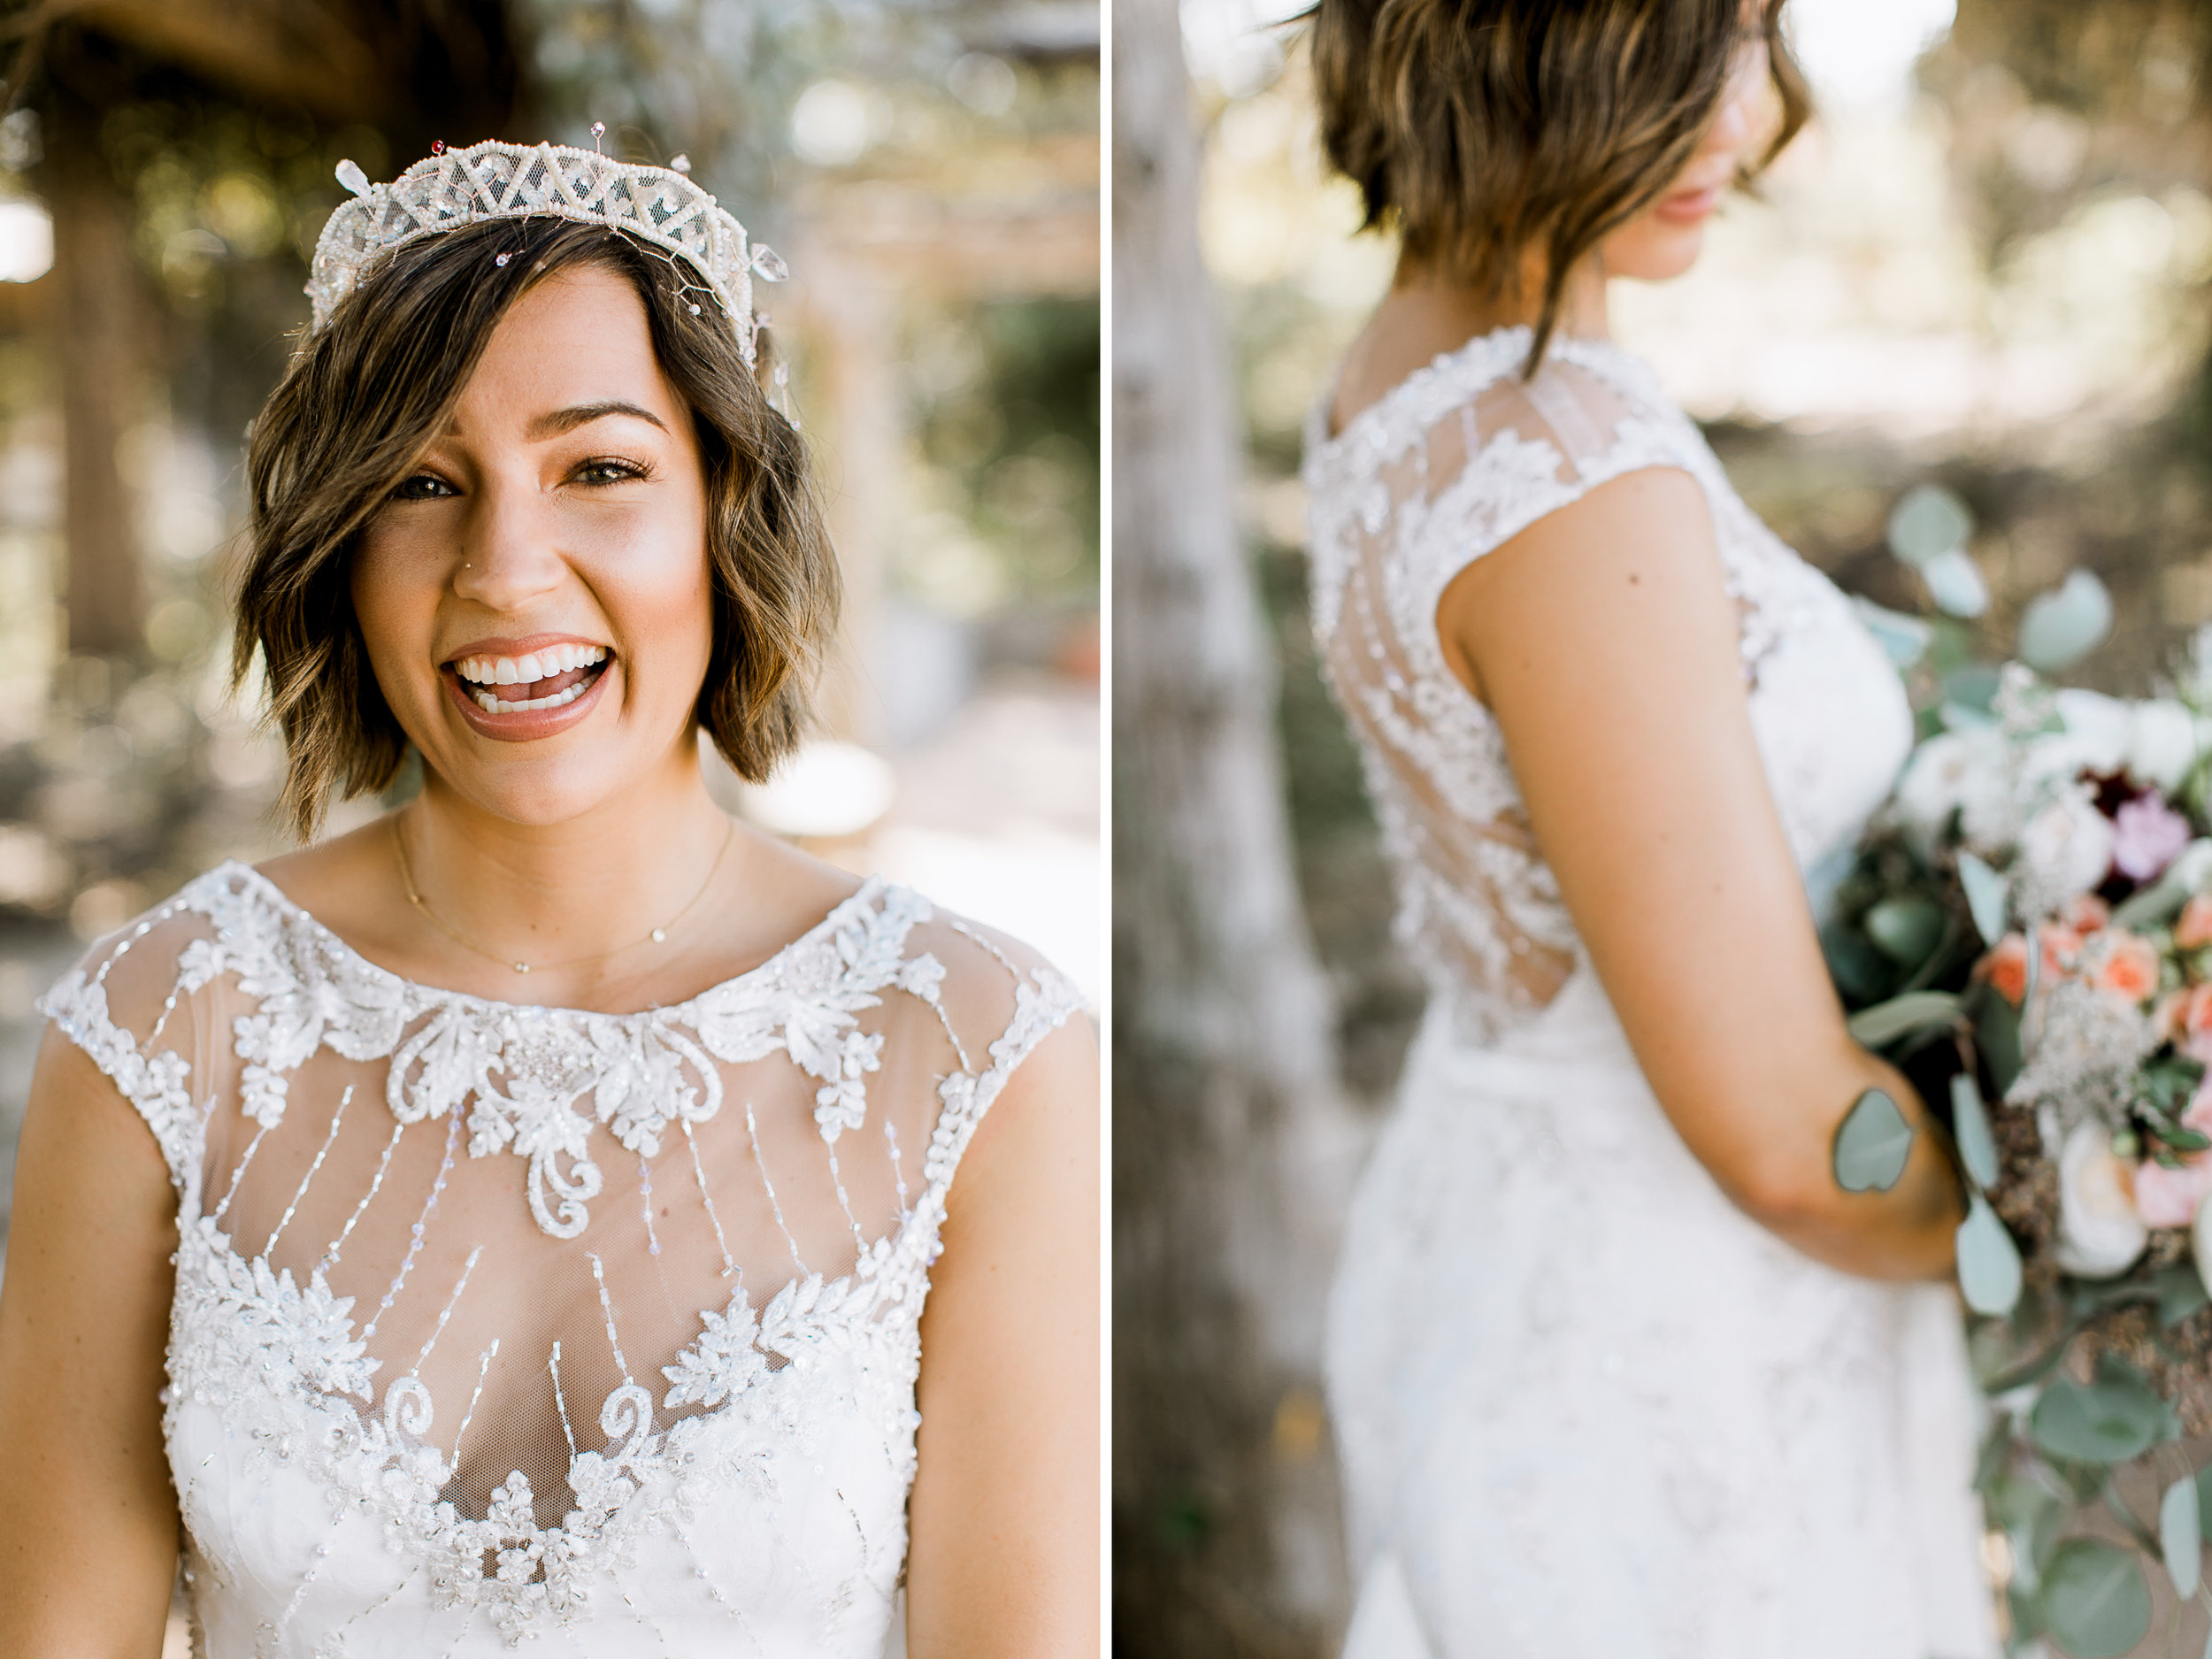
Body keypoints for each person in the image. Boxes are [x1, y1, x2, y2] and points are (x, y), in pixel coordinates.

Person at [0, 142, 1097, 1657]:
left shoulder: (982, 1057)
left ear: (724, 510)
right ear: (342, 549)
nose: (505, 570)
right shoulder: (159, 1034)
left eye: (600, 469)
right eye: (422, 484)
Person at [1302, 4, 1996, 1653]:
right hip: (1684, 1357)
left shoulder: (1408, 380)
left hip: (1513, 1219)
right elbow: (1789, 1145)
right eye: (1686, 33)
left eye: (1759, 28)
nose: (1739, 116)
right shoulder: (1563, 477)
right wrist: (2084, 1220)